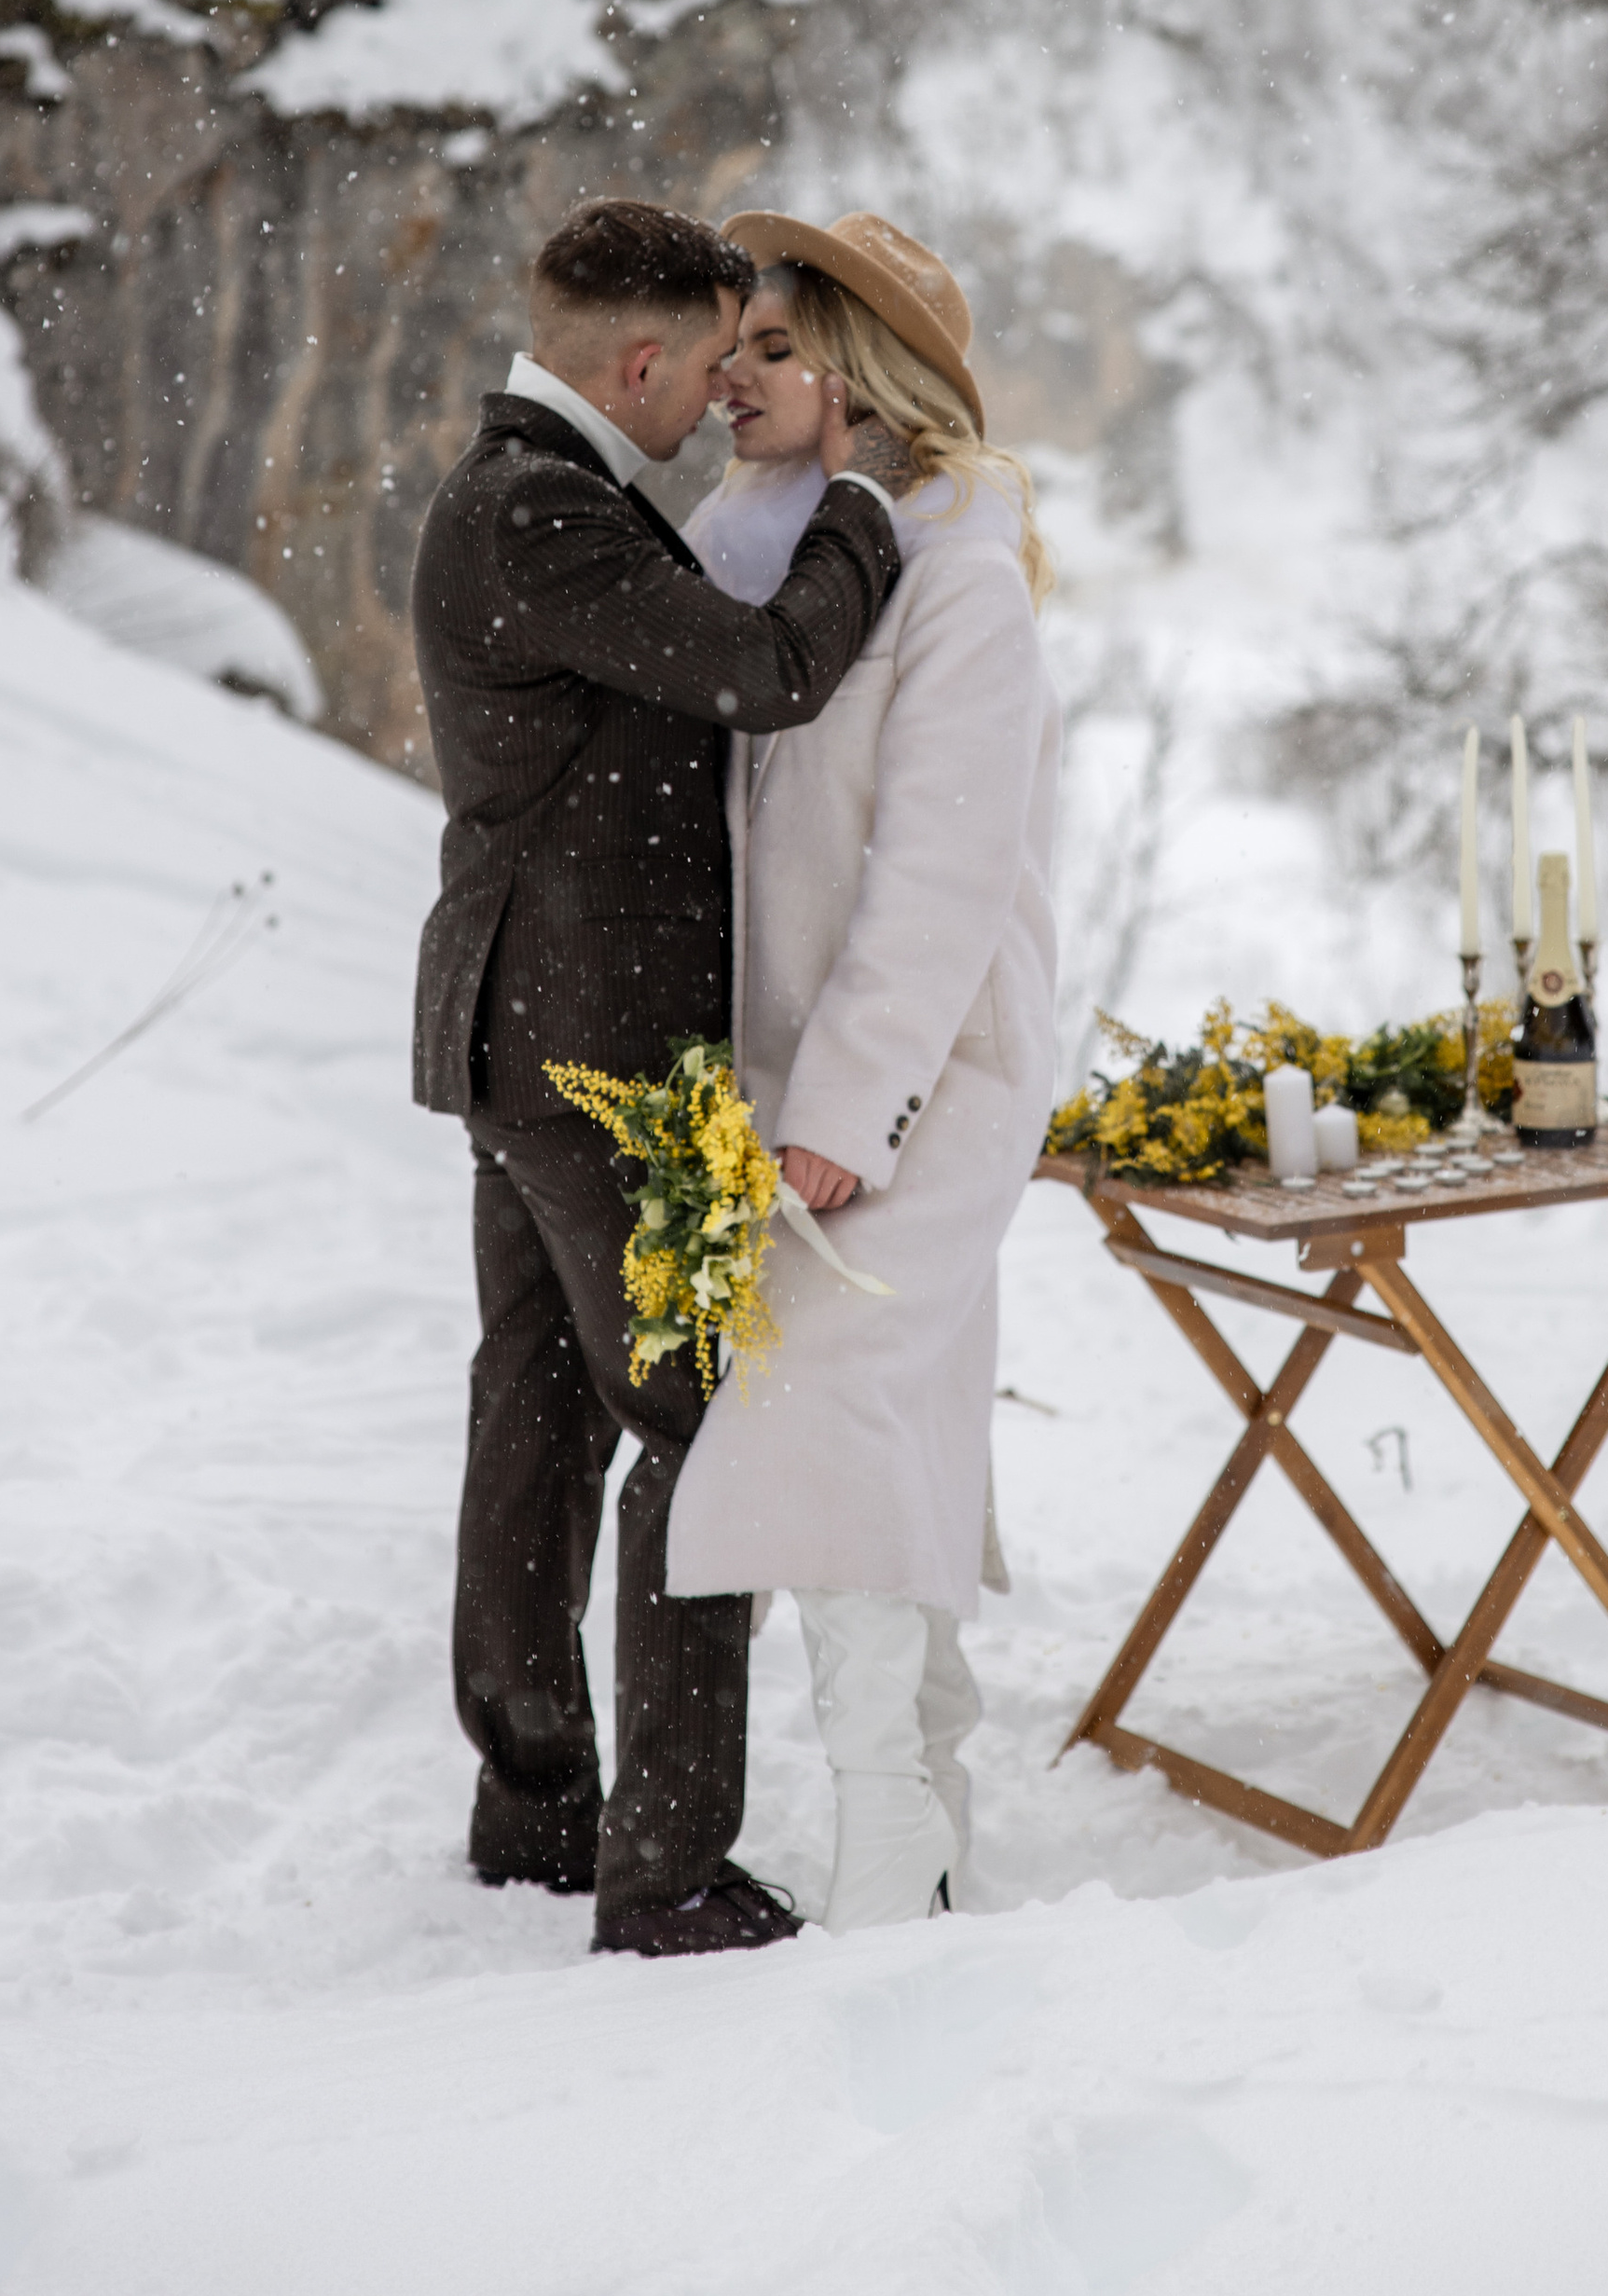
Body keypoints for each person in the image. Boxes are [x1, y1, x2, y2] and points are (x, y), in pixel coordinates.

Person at [408, 195, 918, 1960]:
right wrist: (861, 500)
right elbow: (771, 672)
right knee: (704, 1433)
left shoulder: (523, 496)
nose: (725, 393)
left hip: (531, 1037)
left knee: (540, 1416)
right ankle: (669, 1872)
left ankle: (537, 1807)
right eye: (714, 358)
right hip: (607, 1061)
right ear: (641, 358)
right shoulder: (542, 510)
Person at [666, 211, 1061, 1931]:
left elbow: (943, 879)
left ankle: (892, 1859)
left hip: (924, 1083)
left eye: (766, 347)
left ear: (858, 373)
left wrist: (842, 1112)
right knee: (886, 1441)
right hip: (794, 1090)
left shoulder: (960, 583)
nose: (725, 377)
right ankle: (939, 1834)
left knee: (821, 1432)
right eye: (728, 344)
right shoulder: (759, 564)